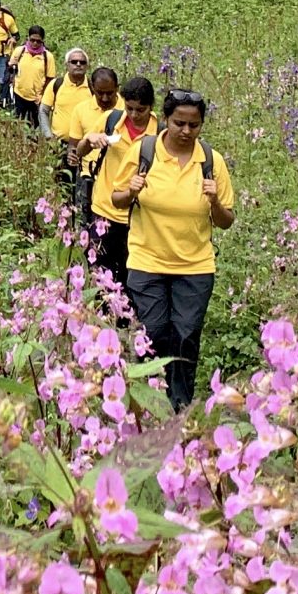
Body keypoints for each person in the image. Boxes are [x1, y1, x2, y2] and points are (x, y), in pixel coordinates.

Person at [118, 90, 236, 412]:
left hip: (195, 266)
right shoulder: (143, 152)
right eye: (179, 123)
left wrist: (214, 202)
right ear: (165, 120)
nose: (186, 131)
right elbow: (115, 200)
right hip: (147, 260)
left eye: (194, 125)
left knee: (185, 336)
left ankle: (179, 407)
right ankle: (149, 401)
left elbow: (226, 221)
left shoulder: (211, 161)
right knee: (153, 332)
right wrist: (130, 191)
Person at [81, 76, 157, 284]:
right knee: (98, 273)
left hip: (138, 218)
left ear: (151, 107)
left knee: (130, 276)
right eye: (129, 108)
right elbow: (79, 150)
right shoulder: (111, 120)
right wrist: (89, 140)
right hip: (104, 210)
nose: (133, 115)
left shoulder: (160, 134)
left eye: (140, 110)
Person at [49, 48, 99, 147]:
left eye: (82, 62)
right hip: (58, 145)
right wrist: (48, 136)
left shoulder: (93, 88)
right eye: (74, 62)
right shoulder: (57, 84)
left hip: (85, 145)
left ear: (87, 66)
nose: (78, 64)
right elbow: (43, 110)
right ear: (67, 65)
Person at [10, 27, 54, 130]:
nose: (35, 43)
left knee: (34, 126)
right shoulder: (19, 51)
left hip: (36, 98)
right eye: (32, 40)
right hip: (19, 93)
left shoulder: (48, 57)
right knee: (17, 123)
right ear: (28, 38)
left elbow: (50, 79)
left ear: (43, 41)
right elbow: (12, 70)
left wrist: (43, 95)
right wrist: (12, 67)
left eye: (38, 41)